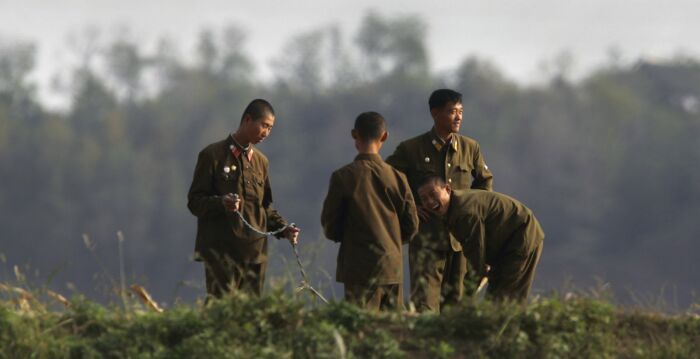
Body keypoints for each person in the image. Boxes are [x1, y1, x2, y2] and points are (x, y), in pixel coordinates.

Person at [385, 89, 493, 312]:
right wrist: (409, 207)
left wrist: (473, 214)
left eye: (461, 111)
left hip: (461, 241)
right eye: (452, 111)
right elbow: (386, 180)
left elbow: (485, 184)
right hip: (426, 240)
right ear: (435, 113)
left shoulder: (470, 148)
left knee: (457, 308)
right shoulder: (411, 149)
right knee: (425, 307)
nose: (458, 117)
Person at [187, 99, 300, 298]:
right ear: (248, 120)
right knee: (222, 314)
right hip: (222, 254)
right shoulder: (212, 155)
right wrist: (221, 203)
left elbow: (264, 209)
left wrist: (284, 229)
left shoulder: (261, 162)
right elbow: (195, 202)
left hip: (256, 255)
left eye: (270, 128)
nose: (266, 133)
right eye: (264, 125)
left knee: (251, 319)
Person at [321, 111, 419, 311]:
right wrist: (390, 241)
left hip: (358, 268)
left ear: (354, 134)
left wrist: (347, 238)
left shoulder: (343, 177)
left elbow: (330, 225)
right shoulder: (398, 178)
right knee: (393, 332)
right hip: (392, 266)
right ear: (384, 136)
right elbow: (412, 225)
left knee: (361, 332)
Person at [417, 176, 544, 302]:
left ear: (447, 189)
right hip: (503, 247)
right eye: (424, 199)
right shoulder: (450, 210)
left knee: (507, 299)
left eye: (433, 194)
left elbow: (476, 258)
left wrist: (466, 296)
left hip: (522, 236)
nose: (429, 201)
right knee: (494, 297)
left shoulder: (464, 212)